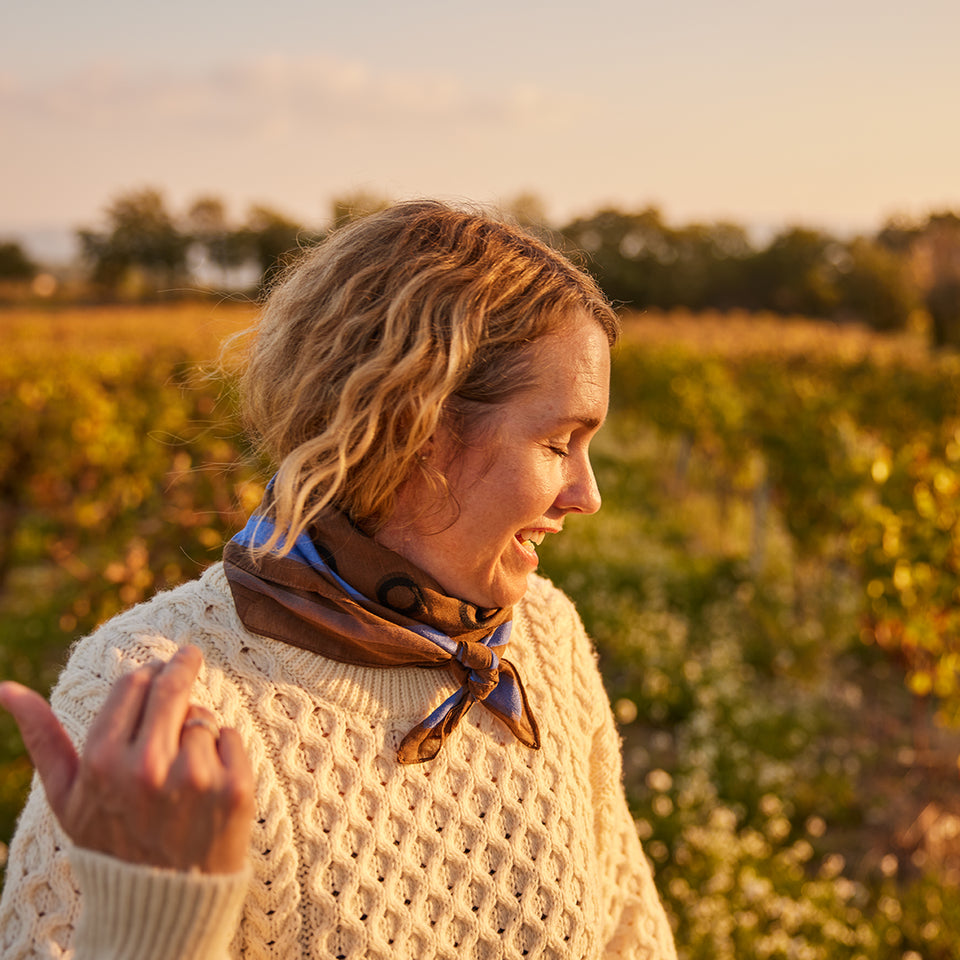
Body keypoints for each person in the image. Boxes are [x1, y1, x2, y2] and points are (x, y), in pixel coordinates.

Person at [0, 200, 677, 959]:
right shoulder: (163, 698)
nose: (587, 494)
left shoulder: (545, 635)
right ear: (414, 427)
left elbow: (629, 938)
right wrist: (145, 932)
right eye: (559, 442)